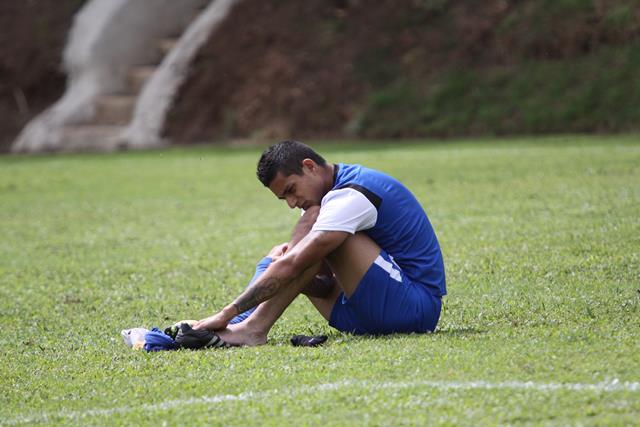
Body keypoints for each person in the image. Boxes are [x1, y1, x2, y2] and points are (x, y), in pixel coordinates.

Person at [193, 140, 446, 346]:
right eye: (284, 198)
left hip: (414, 312)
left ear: (310, 166)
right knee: (284, 252)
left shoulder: (352, 194)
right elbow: (317, 279)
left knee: (312, 249)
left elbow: (297, 263)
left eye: (291, 190)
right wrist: (227, 324)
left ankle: (251, 329)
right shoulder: (320, 202)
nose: (291, 203)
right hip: (361, 316)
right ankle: (244, 329)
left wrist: (227, 312)